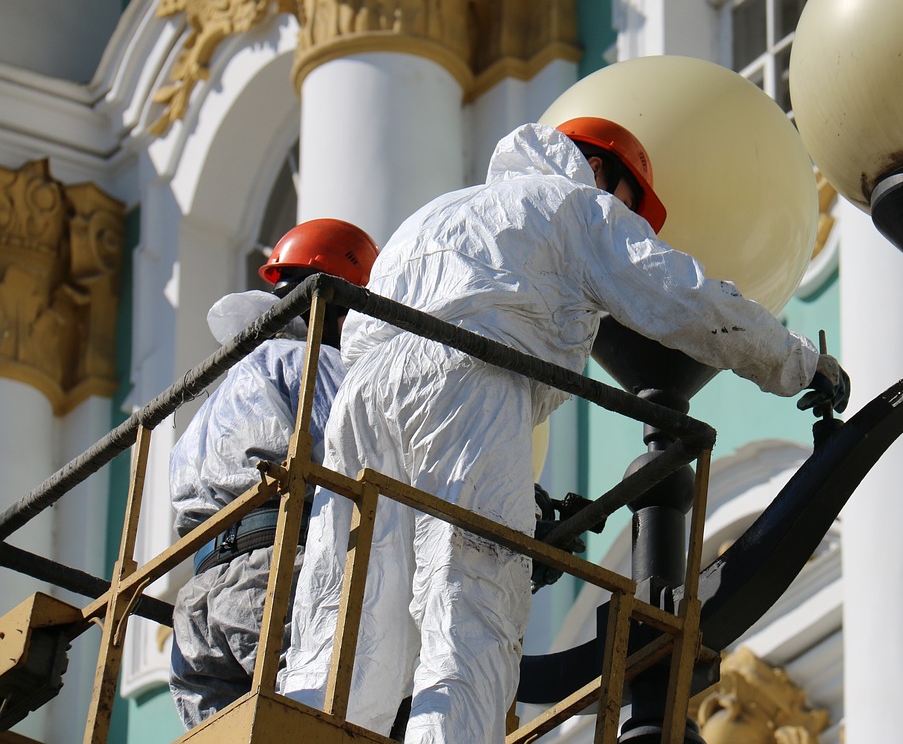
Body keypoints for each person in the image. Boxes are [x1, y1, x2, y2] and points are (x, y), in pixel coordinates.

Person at [278, 119, 850, 742]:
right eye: (630, 202)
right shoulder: (572, 205)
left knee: (346, 610)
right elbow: (683, 298)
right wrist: (798, 363)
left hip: (359, 402)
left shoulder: (435, 215)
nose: (624, 213)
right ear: (603, 170)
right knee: (470, 599)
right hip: (468, 376)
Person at [167, 218, 379, 729]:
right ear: (341, 307)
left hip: (198, 605)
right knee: (318, 722)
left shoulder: (219, 395)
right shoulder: (311, 366)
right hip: (275, 573)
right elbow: (363, 459)